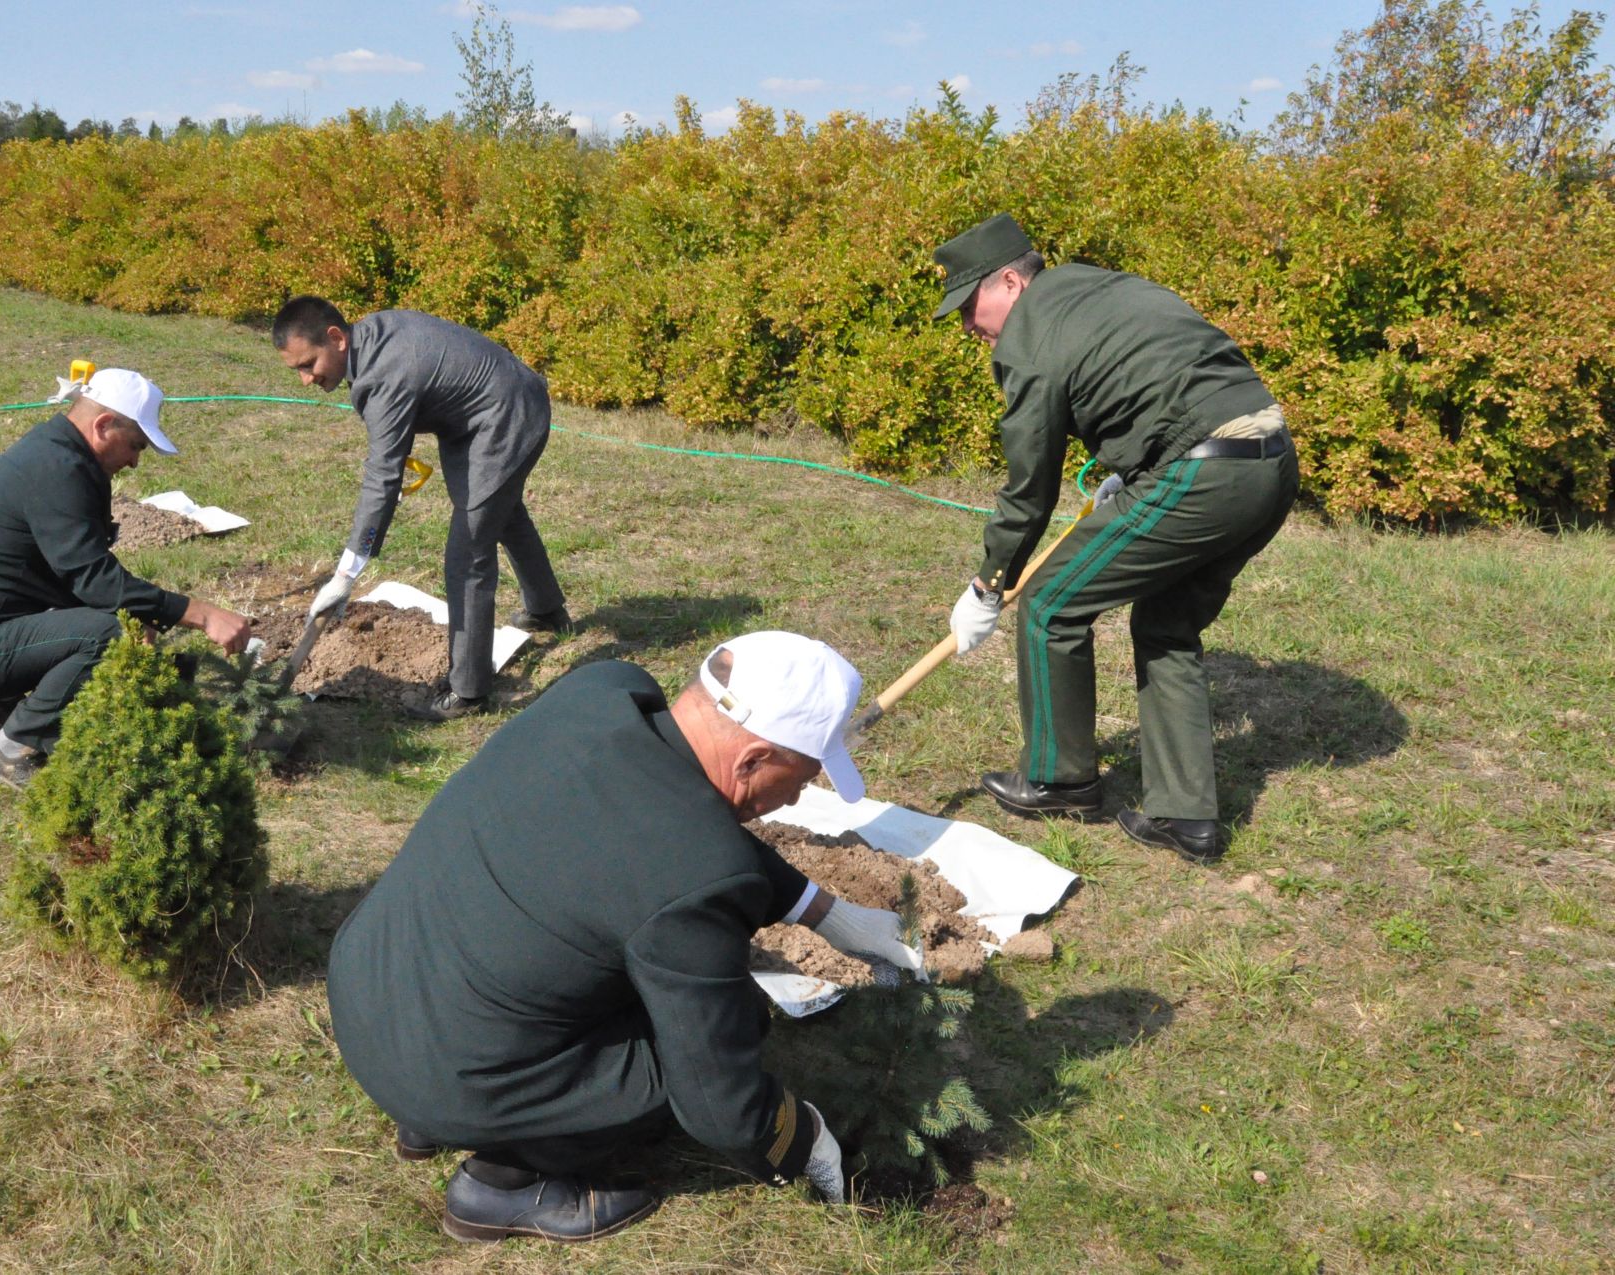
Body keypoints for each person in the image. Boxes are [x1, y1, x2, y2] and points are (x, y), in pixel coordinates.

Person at [325, 631, 925, 1243]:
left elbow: (682, 815)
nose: (797, 797)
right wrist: (797, 1138)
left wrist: (824, 911)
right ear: (752, 760)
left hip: (373, 985)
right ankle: (504, 1182)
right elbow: (718, 1104)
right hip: (452, 1077)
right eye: (800, 778)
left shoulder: (600, 693)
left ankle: (430, 1113)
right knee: (734, 1022)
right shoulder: (697, 879)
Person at [935, 213, 1299, 862]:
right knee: (1165, 624)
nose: (968, 325)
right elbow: (1156, 376)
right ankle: (1185, 817)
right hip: (1270, 457)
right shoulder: (1091, 286)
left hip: (1203, 472)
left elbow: (1029, 489)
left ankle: (1059, 778)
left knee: (1050, 601)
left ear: (1011, 284)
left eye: (970, 304)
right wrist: (1134, 471)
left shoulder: (1027, 338)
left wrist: (989, 584)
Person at [0, 368, 252, 790]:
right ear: (104, 425)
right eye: (135, 445)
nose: (134, 460)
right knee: (107, 632)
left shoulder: (61, 455)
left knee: (118, 621)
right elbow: (96, 582)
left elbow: (77, 571)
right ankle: (12, 748)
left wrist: (142, 614)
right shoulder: (57, 468)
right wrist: (200, 614)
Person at [270, 296, 569, 721]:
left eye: (308, 364)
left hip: (507, 414)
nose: (305, 379)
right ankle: (545, 608)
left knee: (467, 552)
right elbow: (386, 465)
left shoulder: (383, 374)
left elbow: (381, 479)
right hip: (473, 417)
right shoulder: (368, 338)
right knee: (498, 512)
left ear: (336, 338)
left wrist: (346, 574)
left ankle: (468, 690)